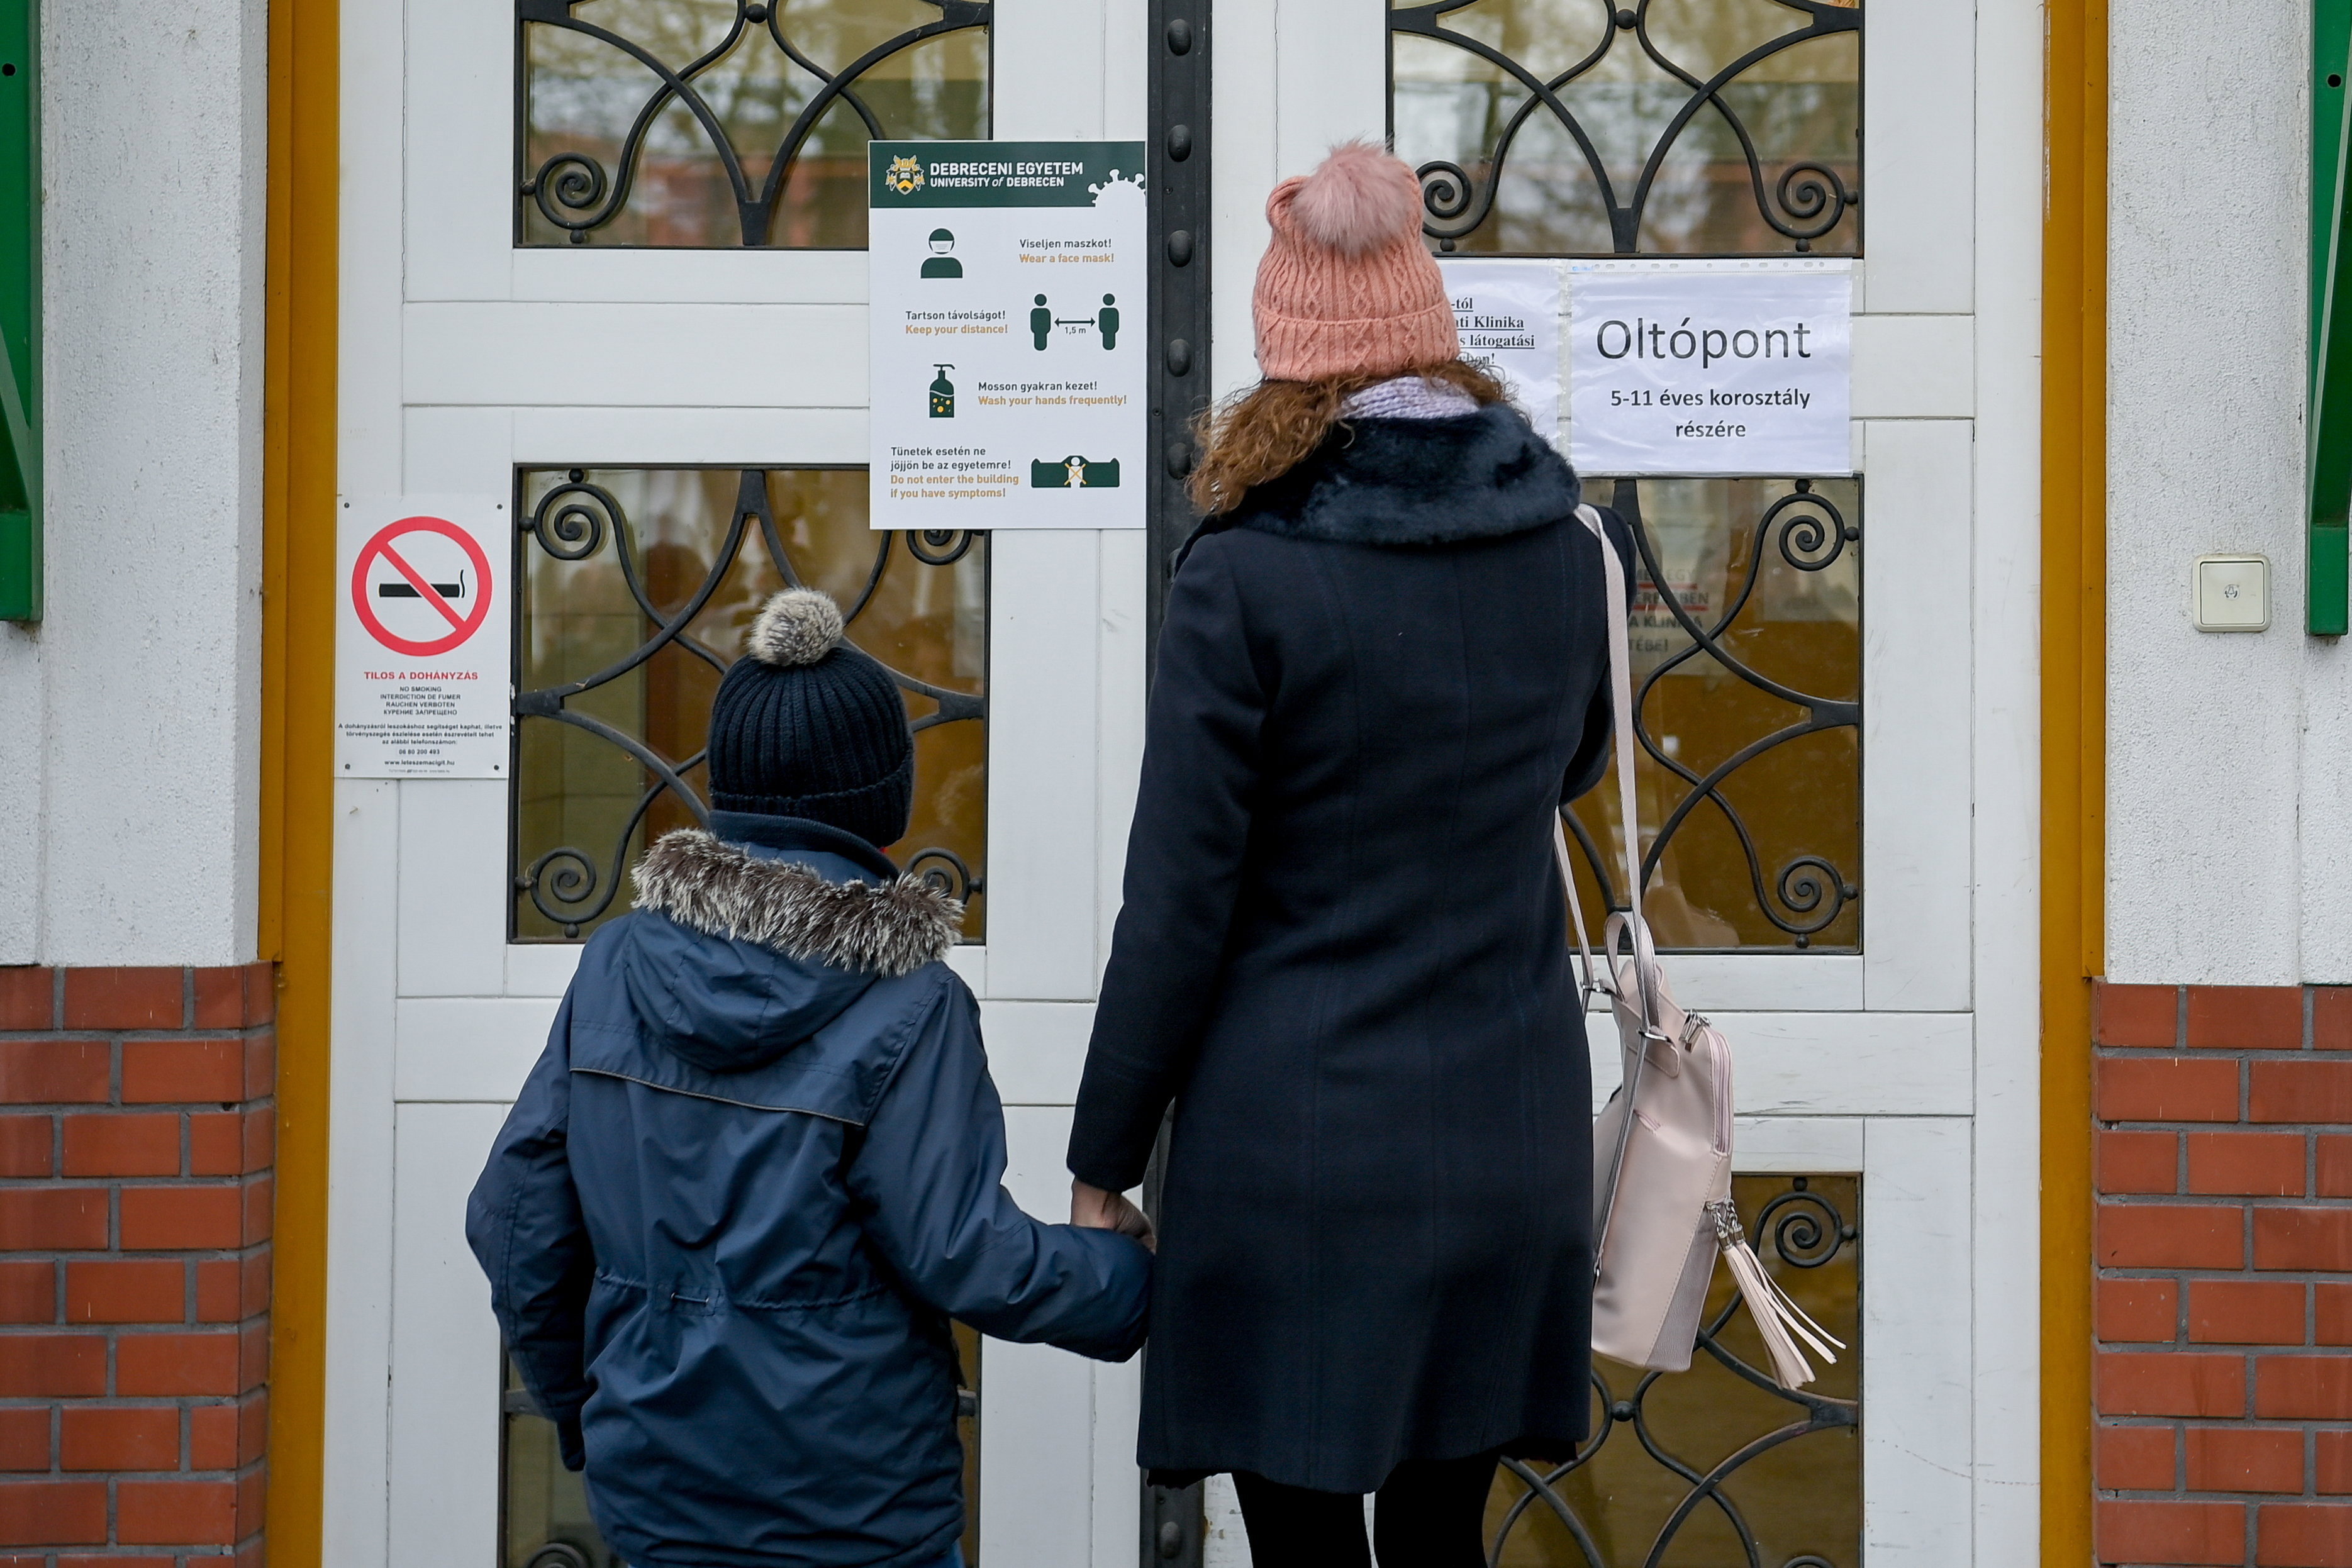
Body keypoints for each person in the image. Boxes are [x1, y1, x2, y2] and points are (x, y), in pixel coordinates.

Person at [1065, 140, 1630, 1567]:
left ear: (1287, 360)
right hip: (1506, 1131)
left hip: (1295, 1148)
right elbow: (1571, 770)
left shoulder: (1244, 574)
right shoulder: (1570, 548)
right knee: (1443, 1531)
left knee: (1303, 1540)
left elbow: (1178, 901)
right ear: (1433, 332)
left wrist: (1103, 1155)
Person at [471, 587, 1151, 1568]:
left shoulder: (614, 964)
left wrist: (586, 1414)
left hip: (656, 1495)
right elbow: (963, 1250)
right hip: (858, 1509)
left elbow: (514, 1216)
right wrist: (1130, 1278)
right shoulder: (913, 1001)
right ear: (883, 802)